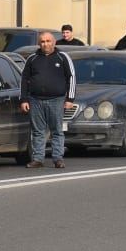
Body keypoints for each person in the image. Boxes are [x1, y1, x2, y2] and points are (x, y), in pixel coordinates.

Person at [20, 32, 76, 168]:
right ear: (39, 44)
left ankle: (58, 158)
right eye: (43, 42)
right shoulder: (32, 58)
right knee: (38, 131)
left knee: (56, 130)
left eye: (48, 41)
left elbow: (71, 77)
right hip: (35, 100)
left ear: (54, 42)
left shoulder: (62, 57)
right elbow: (24, 79)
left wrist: (70, 98)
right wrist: (24, 99)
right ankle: (38, 159)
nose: (46, 44)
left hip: (57, 100)